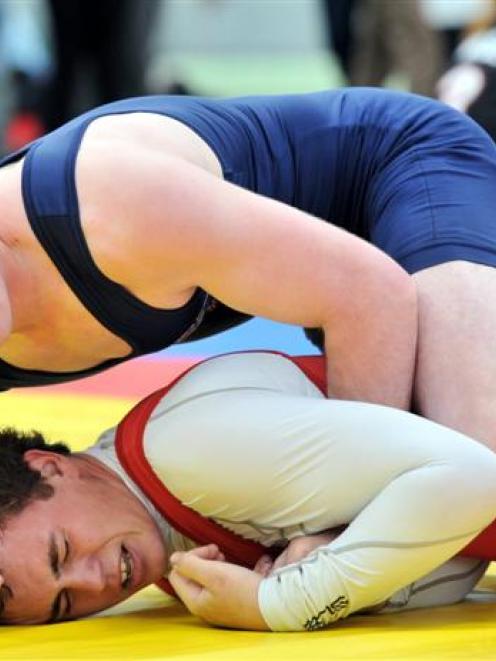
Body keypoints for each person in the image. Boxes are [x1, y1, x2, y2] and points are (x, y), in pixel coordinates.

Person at [1, 87, 496, 452]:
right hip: (325, 279)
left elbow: (371, 296)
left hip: (400, 165)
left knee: (475, 469)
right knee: (432, 559)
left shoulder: (103, 203)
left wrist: (340, 522)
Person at [1, 351, 496, 630]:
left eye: (61, 552)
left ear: (50, 468)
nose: (94, 584)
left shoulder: (190, 449)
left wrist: (288, 601)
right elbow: (460, 563)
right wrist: (333, 553)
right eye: (66, 604)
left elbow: (475, 475)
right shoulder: (180, 562)